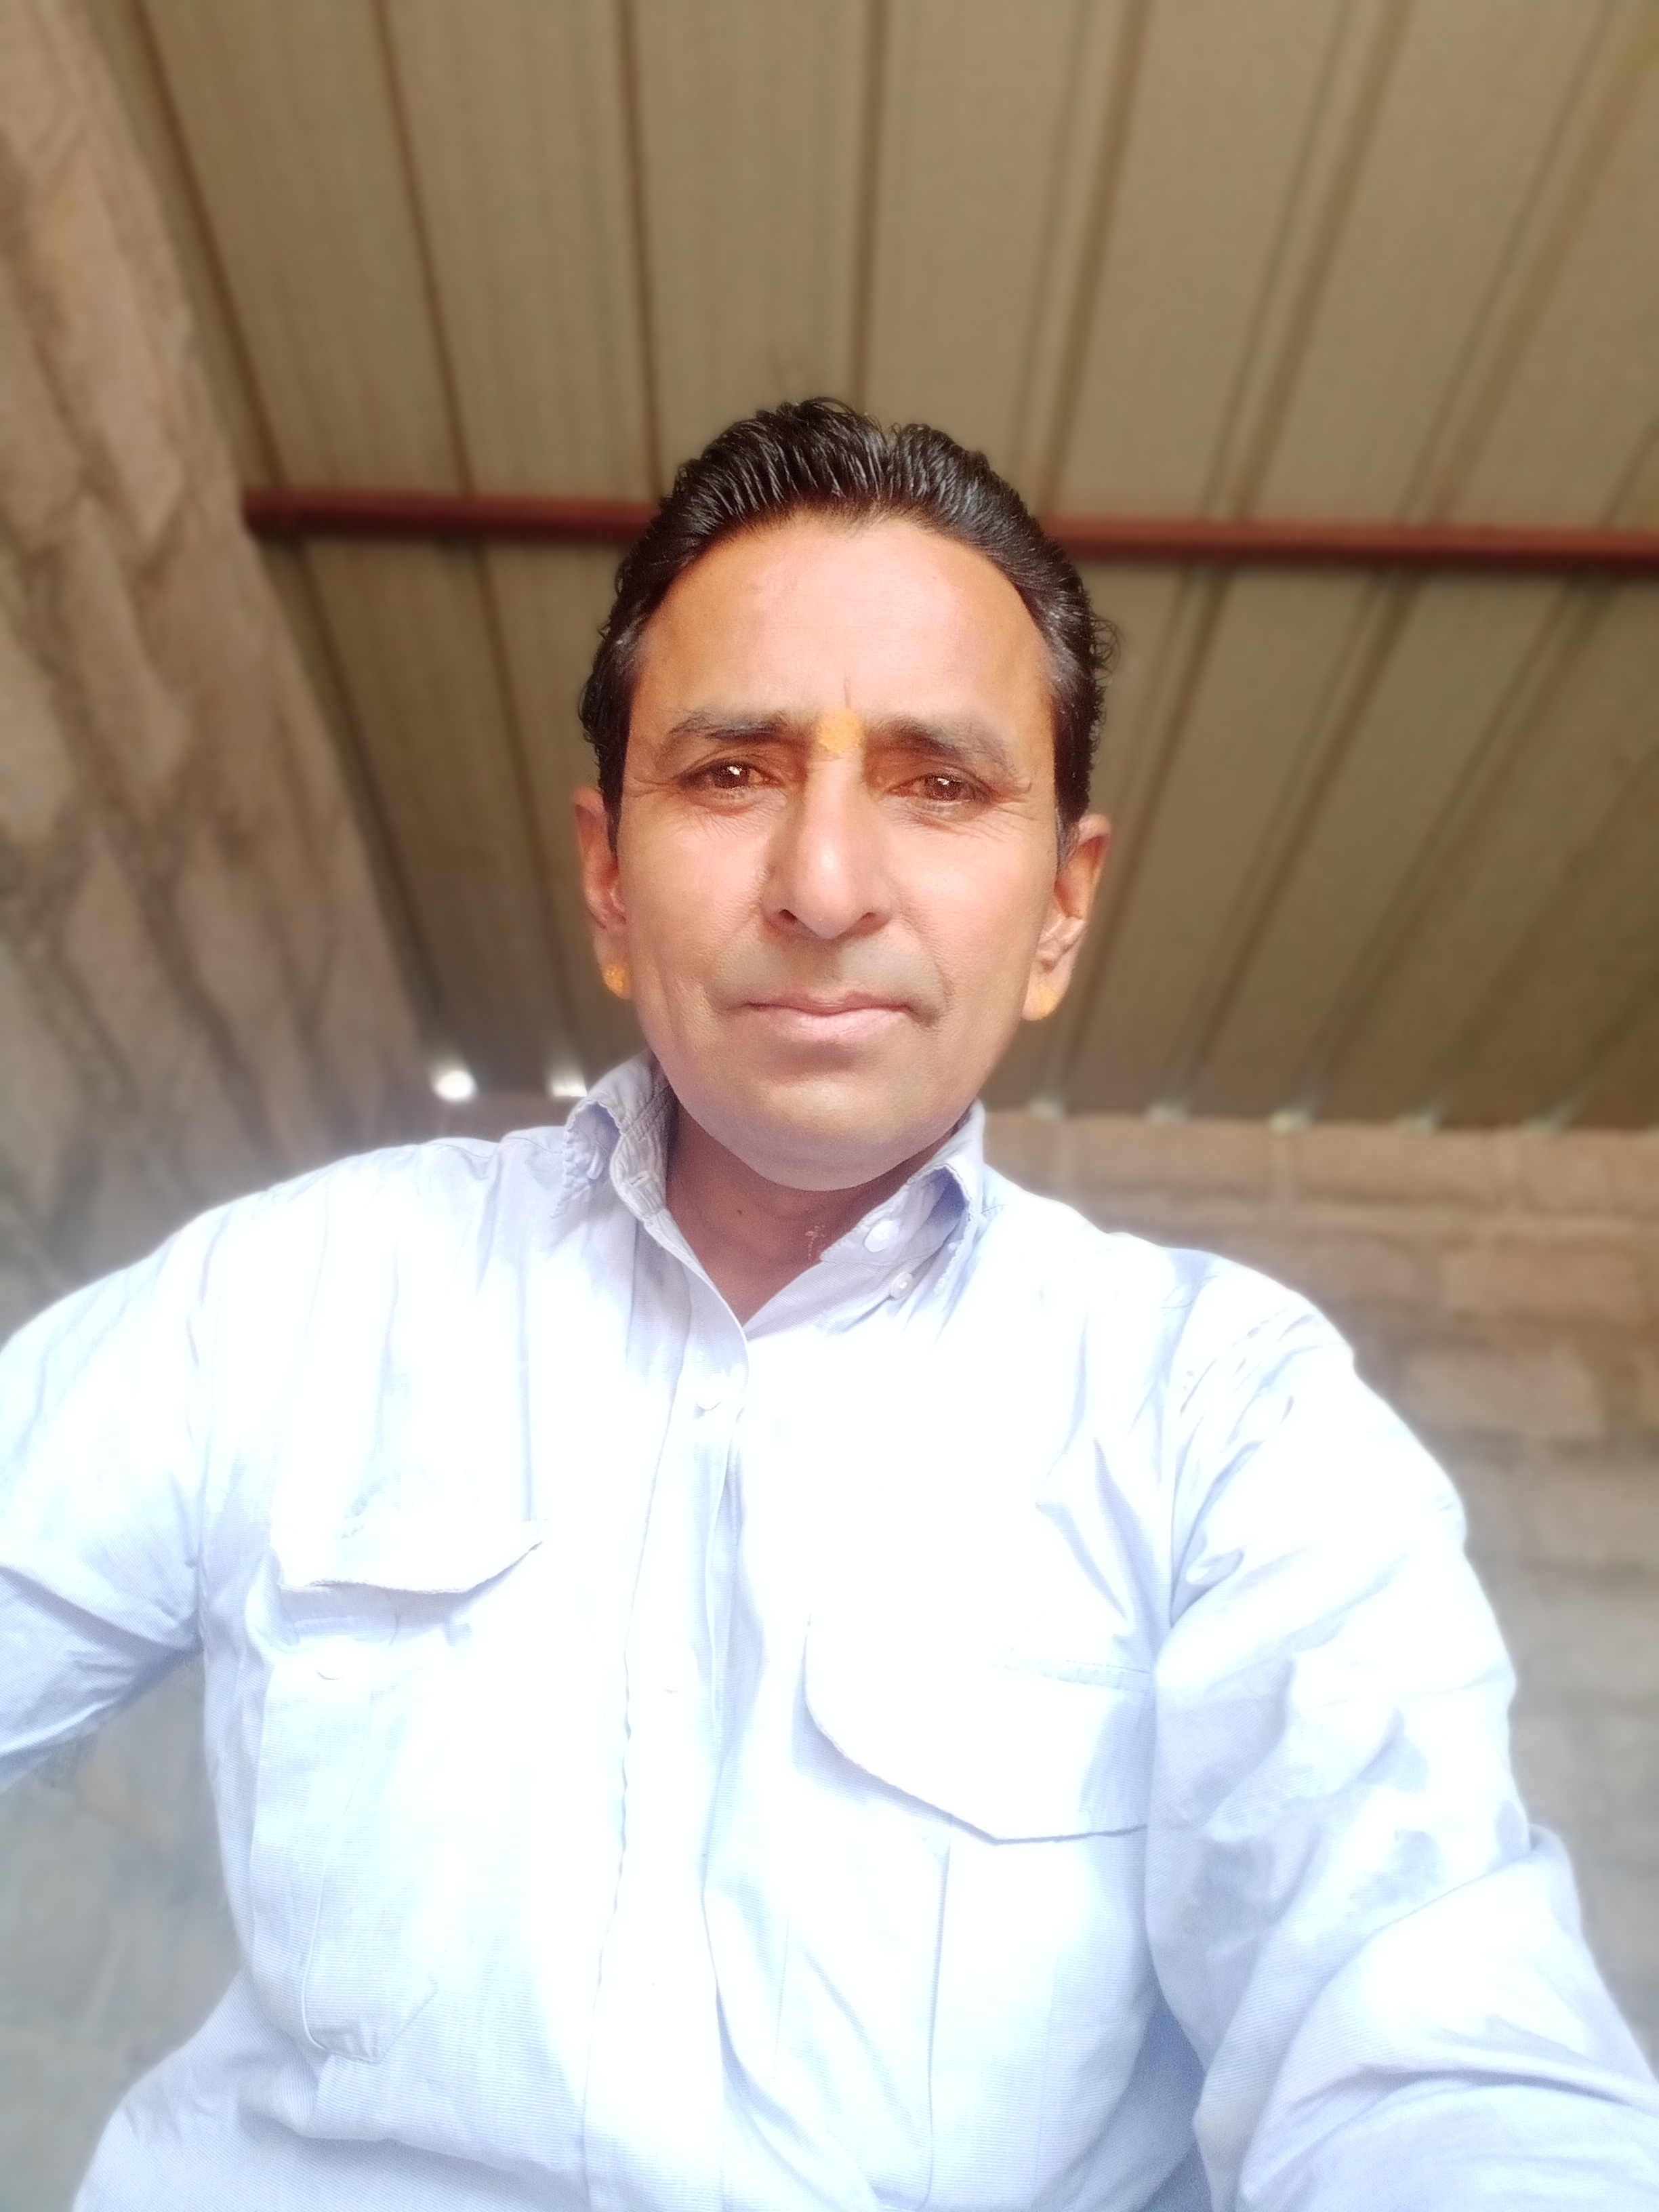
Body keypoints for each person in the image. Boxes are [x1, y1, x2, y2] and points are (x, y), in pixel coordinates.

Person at [1, 400, 1655, 2212]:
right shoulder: (298, 1300)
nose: (826, 884)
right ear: (608, 874)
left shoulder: (1228, 1421)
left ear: (1062, 909)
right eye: (732, 773)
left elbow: (1428, 2040)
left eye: (939, 785)